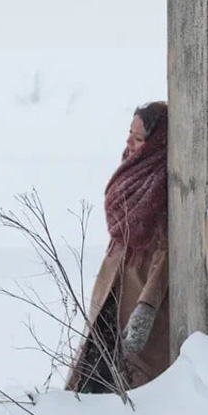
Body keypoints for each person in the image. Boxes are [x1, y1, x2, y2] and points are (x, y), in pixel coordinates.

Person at [66, 101, 170, 394]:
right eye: (130, 134)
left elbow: (166, 252)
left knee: (134, 381)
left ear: (156, 143)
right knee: (92, 372)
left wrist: (146, 307)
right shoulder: (131, 171)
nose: (129, 144)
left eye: (139, 139)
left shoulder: (162, 181)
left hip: (137, 291)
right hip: (112, 285)